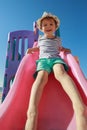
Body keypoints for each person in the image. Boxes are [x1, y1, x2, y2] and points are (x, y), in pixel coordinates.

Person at [25, 12, 87, 130]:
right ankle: (32, 110)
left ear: (55, 26)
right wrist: (32, 49)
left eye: (50, 24)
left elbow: (61, 49)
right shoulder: (40, 39)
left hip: (56, 59)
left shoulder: (57, 39)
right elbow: (39, 48)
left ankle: (78, 104)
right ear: (41, 28)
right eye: (45, 25)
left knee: (61, 72)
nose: (48, 26)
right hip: (43, 60)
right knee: (41, 76)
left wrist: (66, 50)